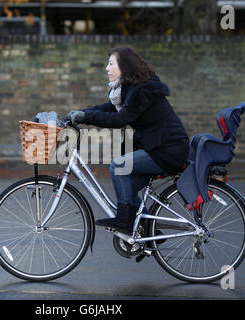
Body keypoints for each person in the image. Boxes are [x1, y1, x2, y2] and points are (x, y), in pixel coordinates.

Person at [67, 46, 189, 234]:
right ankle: (149, 231)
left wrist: (85, 118)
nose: (107, 68)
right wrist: (82, 113)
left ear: (124, 66)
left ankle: (125, 221)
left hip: (168, 149)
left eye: (110, 63)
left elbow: (121, 119)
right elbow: (108, 108)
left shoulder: (142, 90)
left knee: (119, 166)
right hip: (157, 146)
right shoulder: (130, 88)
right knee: (128, 184)